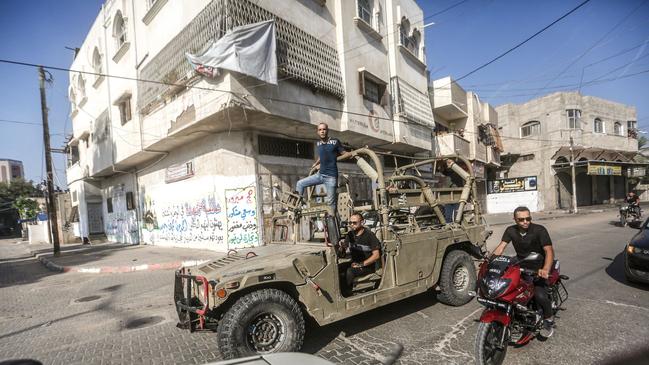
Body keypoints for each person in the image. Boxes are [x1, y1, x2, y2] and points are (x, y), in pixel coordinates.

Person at [491, 206, 556, 337]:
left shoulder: (539, 230)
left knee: (540, 295)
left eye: (528, 218)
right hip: (520, 263)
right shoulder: (510, 230)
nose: (525, 221)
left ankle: (548, 319)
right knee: (507, 288)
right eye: (521, 219)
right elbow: (501, 247)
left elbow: (549, 250)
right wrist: (490, 261)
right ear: (515, 219)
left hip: (538, 266)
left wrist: (545, 269)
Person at [295, 123, 351, 214]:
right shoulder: (318, 143)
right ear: (317, 132)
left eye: (324, 129)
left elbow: (345, 153)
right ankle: (297, 207)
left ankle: (333, 224)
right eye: (320, 130)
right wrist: (316, 163)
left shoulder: (335, 141)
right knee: (300, 183)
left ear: (327, 131)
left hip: (331, 177)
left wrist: (344, 156)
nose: (322, 131)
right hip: (320, 175)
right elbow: (321, 156)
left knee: (331, 204)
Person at [339, 213, 381, 287]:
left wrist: (361, 264)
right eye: (350, 223)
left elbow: (376, 255)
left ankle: (347, 292)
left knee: (350, 271)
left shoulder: (369, 235)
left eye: (354, 223)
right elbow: (343, 253)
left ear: (362, 222)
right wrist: (341, 248)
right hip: (354, 263)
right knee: (338, 268)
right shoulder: (350, 234)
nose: (352, 224)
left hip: (367, 266)